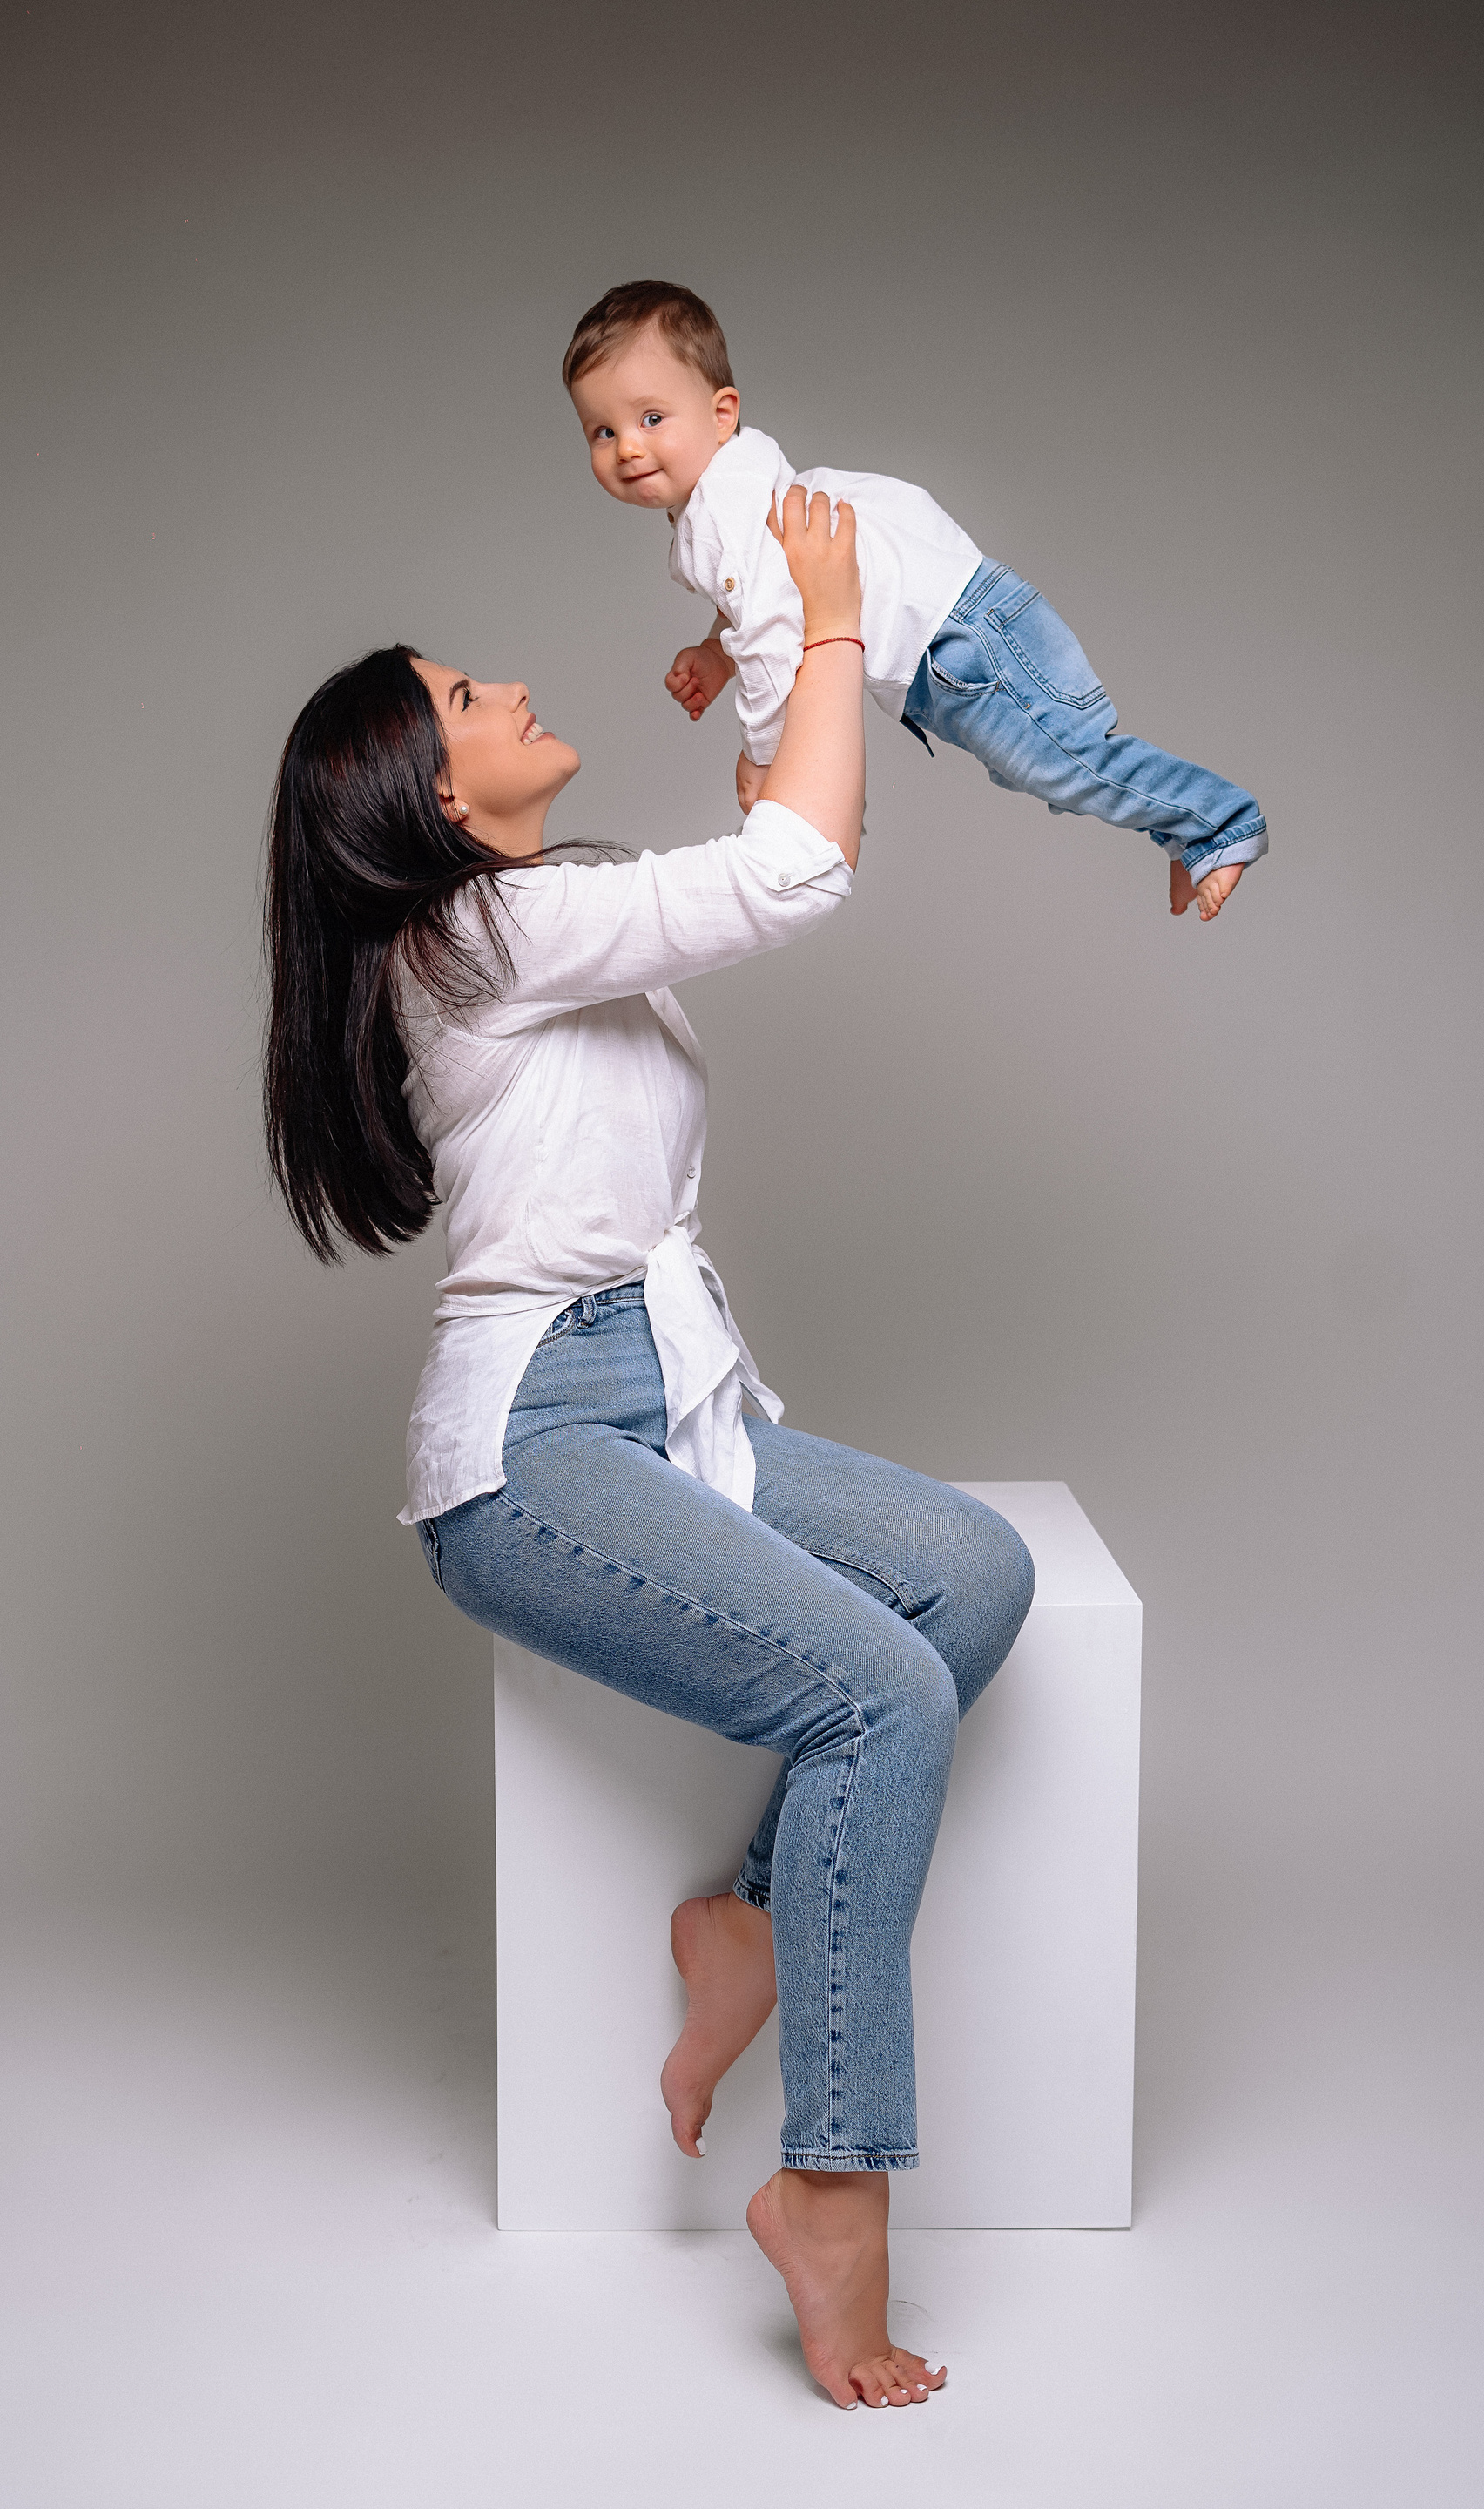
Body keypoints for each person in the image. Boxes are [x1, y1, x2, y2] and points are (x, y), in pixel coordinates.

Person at [263, 488, 1035, 2410]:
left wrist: (777, 667)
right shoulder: (483, 933)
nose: (509, 686)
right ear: (435, 795)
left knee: (975, 1577)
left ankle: (745, 1925)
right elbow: (799, 868)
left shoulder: (531, 925)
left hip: (661, 1395)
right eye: (467, 696)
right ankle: (829, 2192)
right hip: (534, 1452)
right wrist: (837, 614)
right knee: (880, 1699)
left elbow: (779, 839)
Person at [564, 278, 1268, 923]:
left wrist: (766, 759)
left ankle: (1218, 823)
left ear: (722, 414)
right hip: (963, 625)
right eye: (603, 431)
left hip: (956, 638)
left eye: (651, 418)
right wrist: (716, 654)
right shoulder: (735, 493)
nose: (627, 448)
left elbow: (771, 633)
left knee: (1065, 765)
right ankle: (1186, 830)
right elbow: (768, 598)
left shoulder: (725, 510)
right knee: (1061, 767)